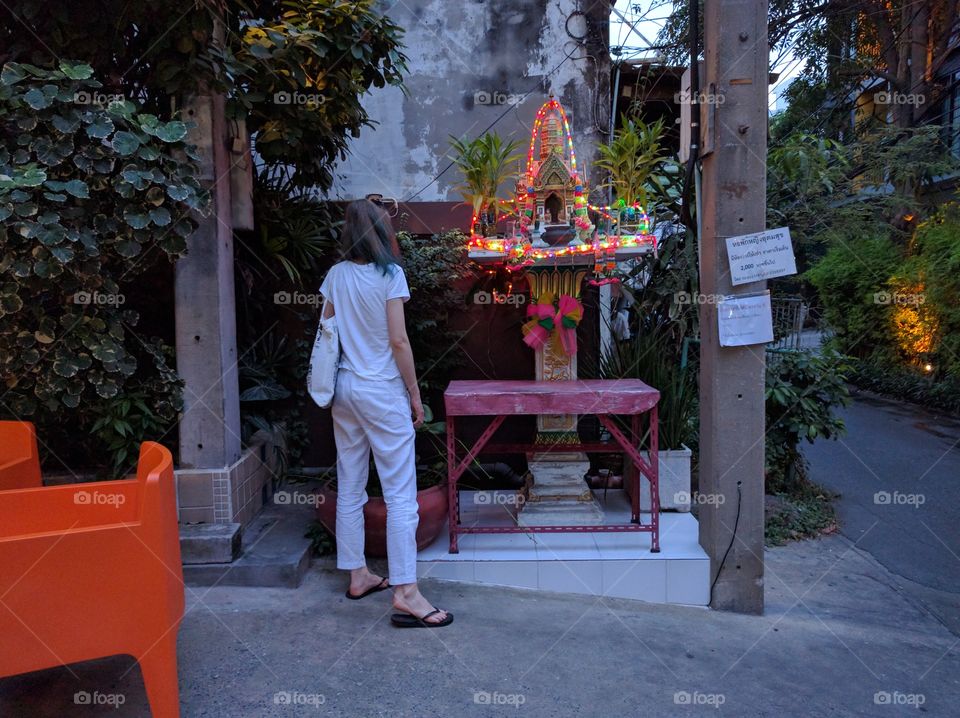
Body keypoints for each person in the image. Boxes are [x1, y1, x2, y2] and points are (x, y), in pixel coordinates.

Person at [318, 199, 453, 628]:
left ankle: (357, 574)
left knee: (351, 485)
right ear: (381, 231)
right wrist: (414, 394)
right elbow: (399, 341)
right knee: (400, 495)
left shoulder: (336, 276)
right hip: (381, 391)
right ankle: (407, 593)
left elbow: (327, 332)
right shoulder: (390, 275)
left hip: (344, 389)